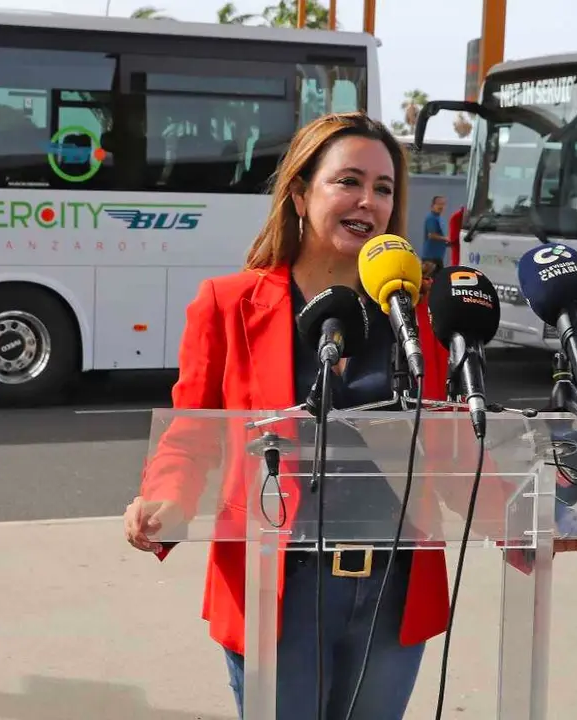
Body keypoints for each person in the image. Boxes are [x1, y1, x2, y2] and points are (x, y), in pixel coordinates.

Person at [121, 112, 454, 720]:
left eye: (383, 188)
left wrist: (539, 512)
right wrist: (166, 503)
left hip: (395, 590)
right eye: (347, 181)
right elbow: (191, 434)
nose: (368, 201)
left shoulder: (417, 314)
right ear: (300, 193)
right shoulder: (227, 304)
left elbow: (453, 444)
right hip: (276, 585)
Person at [422, 195, 448, 263]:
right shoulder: (431, 218)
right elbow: (431, 235)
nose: (441, 206)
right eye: (439, 204)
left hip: (439, 256)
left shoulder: (441, 218)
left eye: (443, 204)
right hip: (430, 257)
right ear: (432, 205)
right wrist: (446, 239)